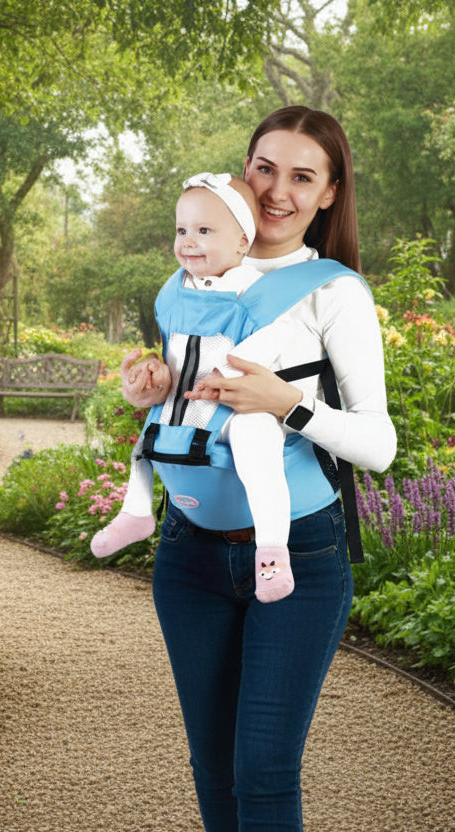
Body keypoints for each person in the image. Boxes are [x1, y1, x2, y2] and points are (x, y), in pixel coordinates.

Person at [118, 106, 397, 832]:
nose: (277, 191)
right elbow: (187, 404)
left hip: (297, 555)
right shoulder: (195, 270)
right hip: (189, 556)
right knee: (211, 767)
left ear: (329, 193)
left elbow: (380, 445)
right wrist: (149, 387)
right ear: (242, 172)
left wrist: (288, 404)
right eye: (264, 168)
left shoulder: (333, 290)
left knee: (264, 770)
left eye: (303, 177)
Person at [91, 171, 299, 603]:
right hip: (184, 399)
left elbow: (278, 344)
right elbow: (172, 358)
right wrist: (154, 375)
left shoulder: (257, 293)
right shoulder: (173, 292)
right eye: (182, 229)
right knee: (147, 439)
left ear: (243, 242)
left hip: (235, 405)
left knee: (257, 437)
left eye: (204, 231)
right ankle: (135, 512)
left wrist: (236, 375)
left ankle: (272, 550)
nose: (188, 241)